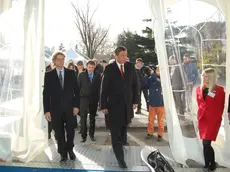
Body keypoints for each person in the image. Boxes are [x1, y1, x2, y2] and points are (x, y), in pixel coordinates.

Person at [101, 46, 139, 169]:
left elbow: (135, 85)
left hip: (127, 107)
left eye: (125, 55)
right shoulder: (109, 69)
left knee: (123, 131)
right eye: (122, 55)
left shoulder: (130, 67)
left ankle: (120, 146)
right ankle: (120, 159)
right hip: (113, 107)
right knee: (115, 132)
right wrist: (103, 105)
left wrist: (135, 101)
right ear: (115, 55)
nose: (125, 57)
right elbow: (104, 89)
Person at [43, 52, 80, 162]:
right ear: (54, 61)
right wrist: (47, 110)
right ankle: (62, 152)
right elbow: (46, 94)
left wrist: (76, 106)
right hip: (55, 109)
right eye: (58, 59)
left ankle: (70, 149)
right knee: (58, 132)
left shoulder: (71, 73)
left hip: (70, 108)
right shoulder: (48, 75)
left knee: (70, 131)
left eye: (62, 59)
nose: (61, 61)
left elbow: (77, 92)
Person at [196, 68, 225, 171]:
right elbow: (199, 104)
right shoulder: (199, 89)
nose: (204, 77)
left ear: (211, 77)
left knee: (206, 143)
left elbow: (221, 106)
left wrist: (217, 119)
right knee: (204, 143)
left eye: (206, 76)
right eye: (203, 75)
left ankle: (212, 164)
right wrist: (199, 117)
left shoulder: (219, 90)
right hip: (202, 119)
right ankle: (206, 163)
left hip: (213, 120)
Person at [78, 60, 101, 142]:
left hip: (94, 99)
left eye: (92, 67)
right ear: (86, 67)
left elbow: (99, 88)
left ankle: (92, 134)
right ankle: (83, 136)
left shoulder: (98, 75)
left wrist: (99, 101)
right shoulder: (81, 75)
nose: (91, 69)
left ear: (94, 67)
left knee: (92, 118)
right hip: (83, 99)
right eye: (89, 67)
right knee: (83, 118)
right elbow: (78, 87)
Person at [145, 65, 165, 141]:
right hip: (152, 103)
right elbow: (144, 85)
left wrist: (153, 75)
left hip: (161, 103)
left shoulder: (164, 79)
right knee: (150, 120)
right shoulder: (151, 78)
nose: (157, 71)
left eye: (159, 70)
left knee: (160, 121)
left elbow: (159, 82)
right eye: (157, 69)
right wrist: (147, 75)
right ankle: (150, 133)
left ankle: (160, 134)